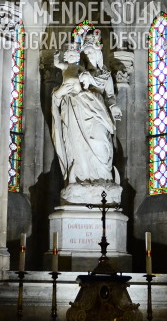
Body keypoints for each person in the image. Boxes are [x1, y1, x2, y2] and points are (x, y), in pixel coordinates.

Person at [50, 39, 121, 205]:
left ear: (98, 53)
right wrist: (59, 93)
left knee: (101, 145)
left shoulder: (105, 75)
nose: (87, 55)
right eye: (85, 52)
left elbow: (109, 97)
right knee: (76, 146)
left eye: (90, 52)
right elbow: (60, 96)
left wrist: (114, 106)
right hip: (76, 113)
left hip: (98, 114)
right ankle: (80, 181)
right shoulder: (76, 71)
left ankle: (103, 180)